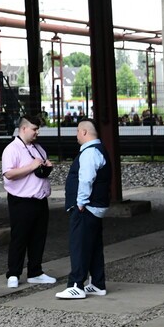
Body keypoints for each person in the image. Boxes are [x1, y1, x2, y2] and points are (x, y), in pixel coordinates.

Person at [56, 119, 112, 300]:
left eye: (77, 131)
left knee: (79, 245)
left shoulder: (89, 153)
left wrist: (80, 202)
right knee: (94, 246)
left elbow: (86, 179)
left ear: (84, 132)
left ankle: (76, 285)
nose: (76, 135)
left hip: (86, 207)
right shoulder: (100, 150)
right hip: (97, 207)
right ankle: (97, 283)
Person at [1, 115, 56, 288]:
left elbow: (38, 170)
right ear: (23, 128)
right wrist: (32, 166)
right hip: (21, 200)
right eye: (34, 129)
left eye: (38, 129)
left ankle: (35, 271)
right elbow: (9, 174)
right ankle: (13, 273)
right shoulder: (12, 149)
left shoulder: (38, 148)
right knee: (19, 238)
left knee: (38, 237)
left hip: (39, 199)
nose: (37, 132)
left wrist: (46, 167)